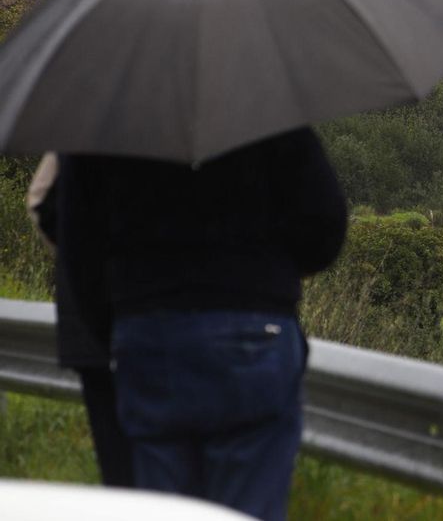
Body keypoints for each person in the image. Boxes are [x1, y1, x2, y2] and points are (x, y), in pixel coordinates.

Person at [53, 127, 348, 521]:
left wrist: (116, 331)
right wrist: (268, 277)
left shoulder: (105, 121)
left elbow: (77, 247)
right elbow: (325, 228)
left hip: (147, 336)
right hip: (254, 332)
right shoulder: (264, 110)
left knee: (162, 510)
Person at [28, 153, 135, 487]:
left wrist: (81, 262)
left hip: (92, 332)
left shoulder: (86, 119)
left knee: (121, 475)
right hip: (160, 324)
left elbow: (40, 201)